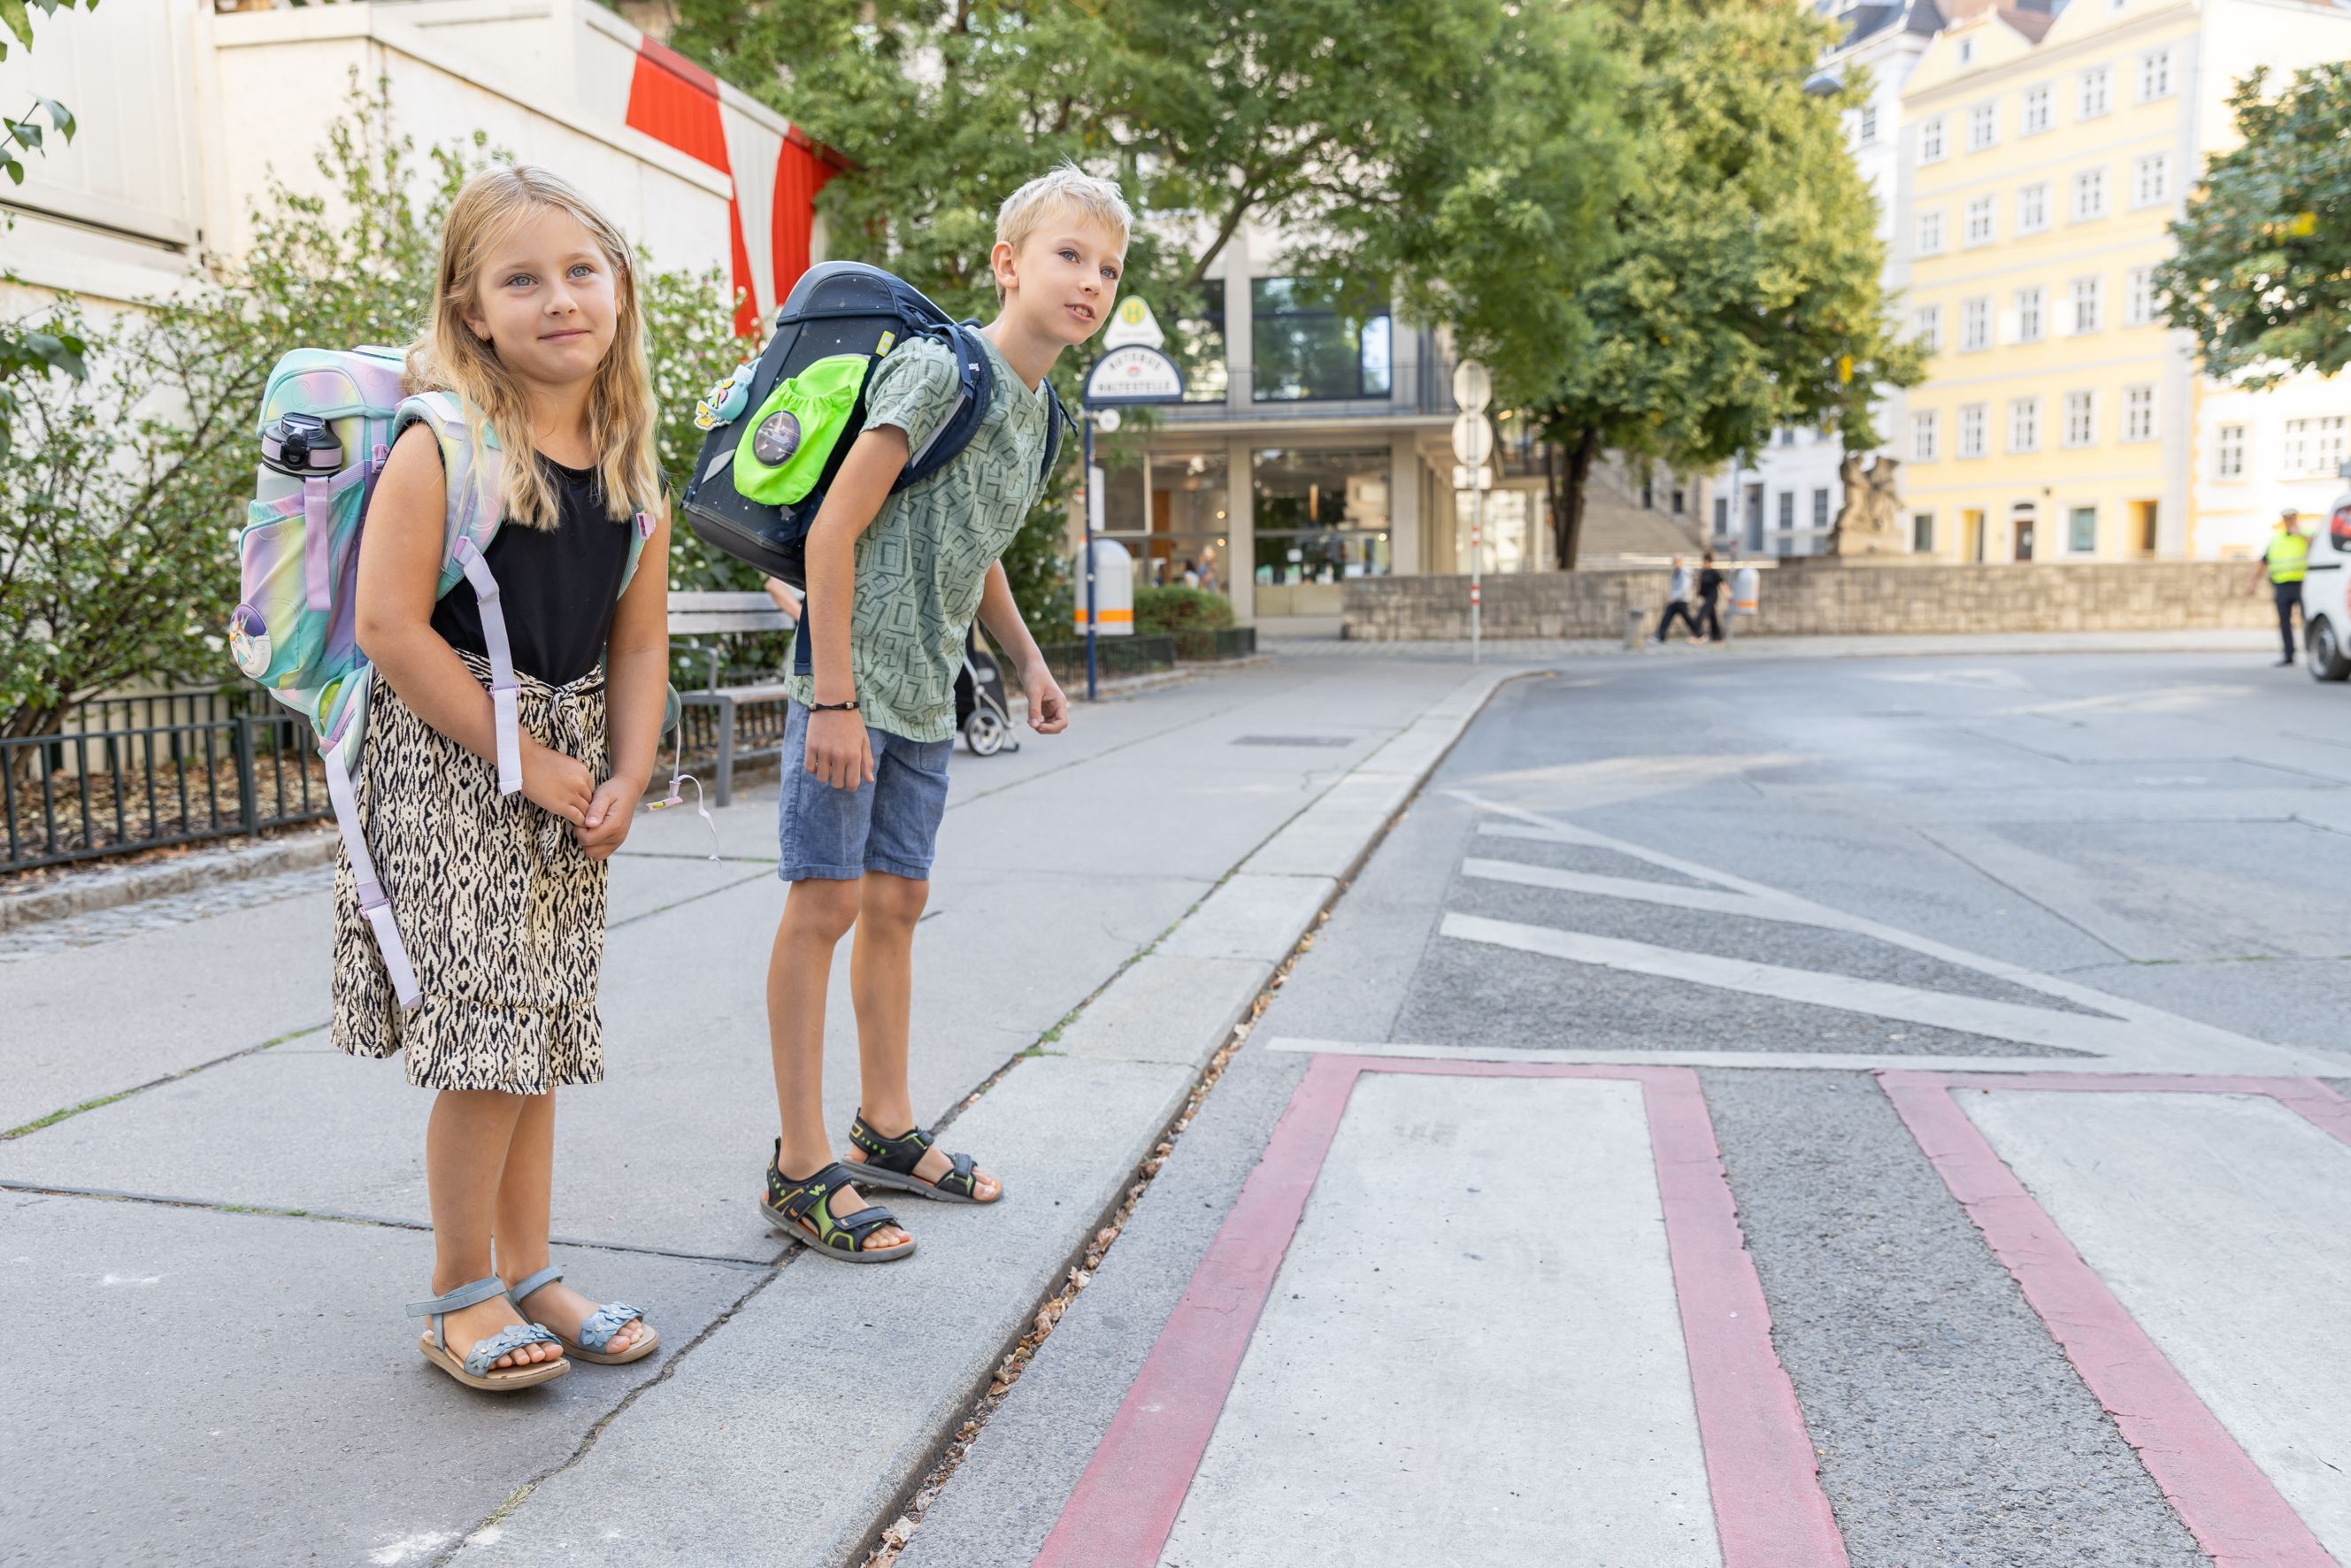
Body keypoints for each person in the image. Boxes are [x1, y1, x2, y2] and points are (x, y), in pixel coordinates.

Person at [344, 167, 669, 1388]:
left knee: (539, 1028)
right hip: (449, 767)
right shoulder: (442, 445)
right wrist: (519, 758)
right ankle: (457, 1292)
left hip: (564, 761)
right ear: (471, 311)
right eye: (521, 279)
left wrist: (628, 767)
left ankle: (529, 1270)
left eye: (581, 271)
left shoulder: (628, 462)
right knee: (487, 1038)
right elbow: (389, 626)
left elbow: (638, 643)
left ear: (618, 288)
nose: (559, 299)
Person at [758, 165, 1115, 1261]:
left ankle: (885, 1125)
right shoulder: (936, 368)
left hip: (923, 692)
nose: (1088, 282)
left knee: (897, 902)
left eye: (1107, 269)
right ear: (1008, 263)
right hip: (848, 684)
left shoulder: (1040, 416)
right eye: (1067, 255)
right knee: (822, 904)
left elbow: (976, 540)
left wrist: (1026, 658)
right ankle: (800, 1164)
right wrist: (832, 696)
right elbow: (834, 528)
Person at [2249, 508, 2310, 666]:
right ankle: (2288, 655)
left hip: (2303, 584)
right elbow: (2263, 561)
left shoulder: (2306, 535)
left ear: (2296, 519)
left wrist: (2300, 535)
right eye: (2286, 519)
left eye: (2292, 518)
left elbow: (2318, 547)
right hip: (2281, 586)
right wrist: (2253, 582)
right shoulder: (2276, 540)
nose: (2289, 521)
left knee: (2308, 620)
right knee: (2284, 623)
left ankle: (2314, 654)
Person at [1653, 555, 1701, 644]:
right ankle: (1660, 635)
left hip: (1681, 599)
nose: (1674, 564)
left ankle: (1699, 633)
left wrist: (1673, 597)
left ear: (1680, 562)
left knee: (1687, 619)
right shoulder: (1676, 572)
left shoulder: (1684, 572)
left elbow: (1684, 587)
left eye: (1676, 562)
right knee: (1667, 617)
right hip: (1676, 600)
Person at [1694, 551, 1727, 643]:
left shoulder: (1714, 572)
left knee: (1701, 615)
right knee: (1713, 618)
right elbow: (1701, 586)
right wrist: (1698, 594)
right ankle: (1718, 637)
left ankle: (1699, 635)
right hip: (1705, 597)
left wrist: (1728, 595)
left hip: (1712, 597)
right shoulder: (1703, 572)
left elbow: (1722, 584)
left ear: (1708, 562)